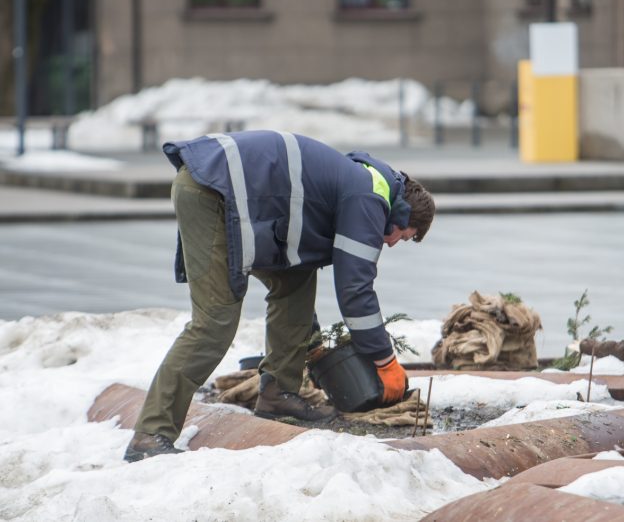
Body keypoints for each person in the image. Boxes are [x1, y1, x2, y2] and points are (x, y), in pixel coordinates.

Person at [124, 130, 435, 462]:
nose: (391, 244)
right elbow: (355, 290)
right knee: (215, 322)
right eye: (403, 237)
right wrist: (384, 361)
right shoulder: (370, 199)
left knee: (296, 283)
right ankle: (151, 433)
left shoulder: (367, 183)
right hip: (212, 190)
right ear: (402, 216)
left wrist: (309, 343)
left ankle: (278, 393)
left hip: (229, 191)